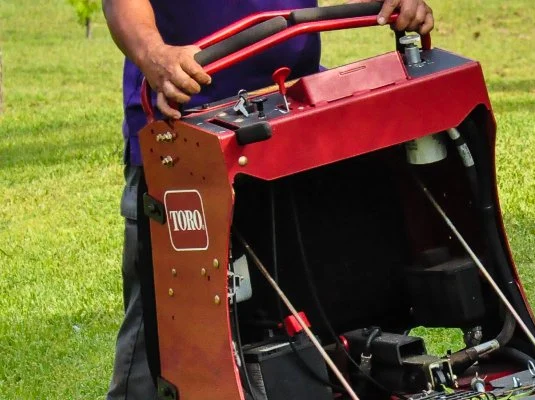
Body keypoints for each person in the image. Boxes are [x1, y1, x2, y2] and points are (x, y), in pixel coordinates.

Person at [101, 1, 434, 398]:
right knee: (165, 342)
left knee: (320, 315)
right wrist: (154, 54)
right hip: (184, 133)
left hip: (293, 120)